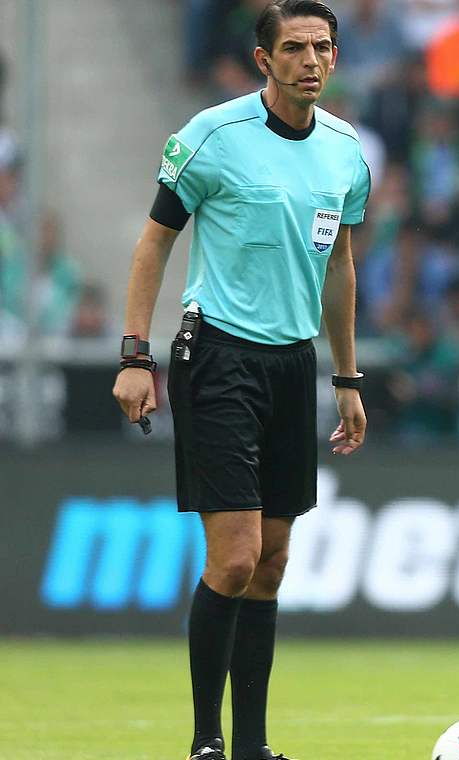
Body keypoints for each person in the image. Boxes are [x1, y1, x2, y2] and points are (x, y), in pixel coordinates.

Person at [111, 3, 370, 759]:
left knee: (273, 564)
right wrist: (134, 355)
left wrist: (347, 376)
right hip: (217, 355)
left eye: (323, 47)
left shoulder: (347, 152)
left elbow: (341, 265)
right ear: (264, 60)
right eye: (294, 48)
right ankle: (205, 742)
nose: (311, 61)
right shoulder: (213, 137)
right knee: (232, 557)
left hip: (294, 364)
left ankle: (252, 749)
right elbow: (155, 243)